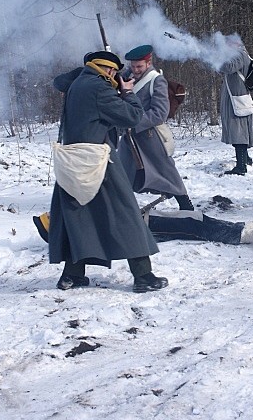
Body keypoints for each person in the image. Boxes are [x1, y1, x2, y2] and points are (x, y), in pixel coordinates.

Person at [48, 50, 168, 293]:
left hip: (71, 161)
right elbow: (133, 117)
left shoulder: (77, 83)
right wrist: (126, 92)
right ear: (109, 70)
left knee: (77, 218)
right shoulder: (99, 89)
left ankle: (71, 276)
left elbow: (60, 80)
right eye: (113, 71)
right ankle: (144, 276)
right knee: (126, 217)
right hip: (98, 162)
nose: (116, 75)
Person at [117, 44, 194, 211]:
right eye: (133, 66)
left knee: (168, 174)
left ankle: (187, 208)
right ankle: (122, 210)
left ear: (148, 62)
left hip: (150, 137)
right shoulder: (126, 77)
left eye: (139, 66)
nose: (136, 70)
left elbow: (160, 113)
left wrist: (134, 122)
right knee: (121, 175)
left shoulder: (156, 80)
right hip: (130, 139)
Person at [34, 210, 253, 246]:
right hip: (144, 227)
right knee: (192, 226)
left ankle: (243, 228)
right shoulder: (82, 232)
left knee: (193, 216)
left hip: (143, 217)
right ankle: (249, 236)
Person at [219, 40, 253, 175]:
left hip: (238, 101)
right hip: (236, 99)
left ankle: (241, 166)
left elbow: (228, 67)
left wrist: (215, 57)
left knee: (238, 133)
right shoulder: (240, 54)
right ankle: (245, 159)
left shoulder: (239, 54)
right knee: (238, 132)